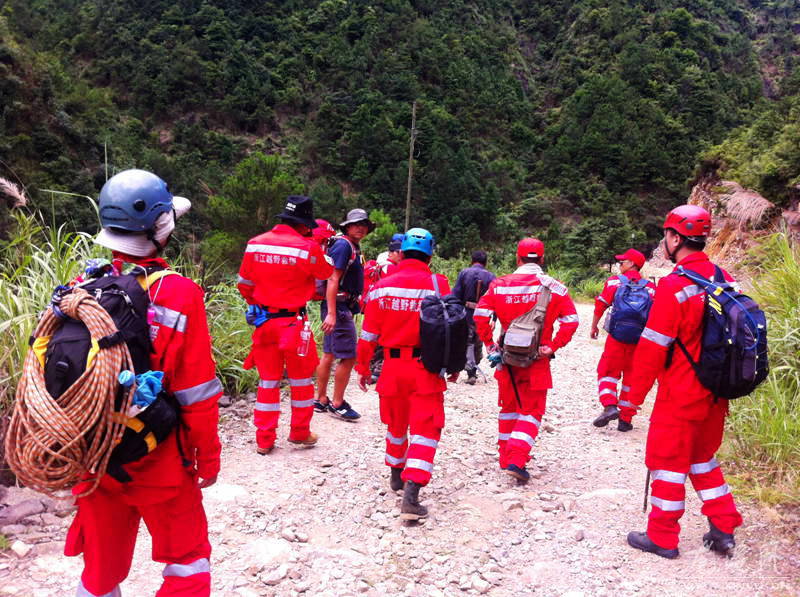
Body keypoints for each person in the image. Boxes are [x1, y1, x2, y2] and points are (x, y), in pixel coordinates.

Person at [66, 169, 222, 597]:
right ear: (161, 228)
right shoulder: (179, 293)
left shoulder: (82, 287)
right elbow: (196, 392)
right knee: (187, 561)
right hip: (160, 460)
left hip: (96, 454)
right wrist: (207, 457)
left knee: (99, 570)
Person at [622, 204, 743, 559]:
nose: (664, 241)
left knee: (667, 462)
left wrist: (630, 400)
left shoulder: (674, 286)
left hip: (680, 393)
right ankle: (723, 527)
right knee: (702, 458)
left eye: (666, 235)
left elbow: (651, 350)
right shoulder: (725, 278)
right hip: (717, 393)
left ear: (676, 238)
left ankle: (662, 536)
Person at [354, 228, 450, 520]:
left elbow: (368, 335)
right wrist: (454, 365)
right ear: (430, 256)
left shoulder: (381, 287)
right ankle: (412, 495)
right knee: (426, 430)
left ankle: (396, 474)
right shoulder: (438, 284)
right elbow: (451, 328)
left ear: (401, 253)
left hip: (392, 368)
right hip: (426, 369)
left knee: (396, 424)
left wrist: (362, 367)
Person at [474, 238, 579, 483]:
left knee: (509, 408)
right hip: (537, 360)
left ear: (517, 258)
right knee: (531, 410)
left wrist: (490, 345)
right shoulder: (555, 287)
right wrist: (553, 346)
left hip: (507, 358)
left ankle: (505, 457)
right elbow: (571, 321)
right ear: (542, 259)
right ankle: (517, 459)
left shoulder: (499, 285)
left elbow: (480, 315)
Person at [237, 196, 334, 454]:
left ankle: (264, 440)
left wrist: (257, 304)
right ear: (304, 224)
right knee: (300, 381)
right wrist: (318, 245)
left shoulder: (255, 243)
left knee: (268, 381)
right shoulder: (307, 247)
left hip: (264, 322)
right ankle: (300, 432)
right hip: (293, 324)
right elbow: (325, 273)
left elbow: (244, 284)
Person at [314, 208, 374, 421]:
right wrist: (332, 313)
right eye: (356, 224)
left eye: (364, 225)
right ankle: (337, 403)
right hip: (338, 308)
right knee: (349, 356)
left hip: (338, 306)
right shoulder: (343, 246)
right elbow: (333, 278)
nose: (360, 228)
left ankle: (321, 399)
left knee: (329, 354)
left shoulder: (350, 246)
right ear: (347, 227)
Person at [590, 248, 655, 430]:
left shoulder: (614, 282)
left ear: (632, 264)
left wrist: (594, 326)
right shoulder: (651, 288)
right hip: (639, 340)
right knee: (631, 378)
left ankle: (609, 406)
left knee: (607, 371)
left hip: (616, 338)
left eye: (622, 262)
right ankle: (626, 419)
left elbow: (600, 305)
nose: (620, 265)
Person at [363, 233, 405, 382]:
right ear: (392, 253)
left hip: (374, 306)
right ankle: (377, 369)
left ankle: (372, 367)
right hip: (384, 309)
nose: (402, 256)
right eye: (399, 253)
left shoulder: (380, 264)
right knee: (382, 338)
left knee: (376, 337)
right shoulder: (390, 268)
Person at [452, 250, 496, 384]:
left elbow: (456, 296)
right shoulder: (491, 276)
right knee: (478, 340)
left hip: (467, 313)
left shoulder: (464, 273)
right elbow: (496, 299)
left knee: (469, 341)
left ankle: (471, 371)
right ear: (485, 262)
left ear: (472, 261)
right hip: (484, 315)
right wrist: (494, 319)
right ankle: (474, 367)